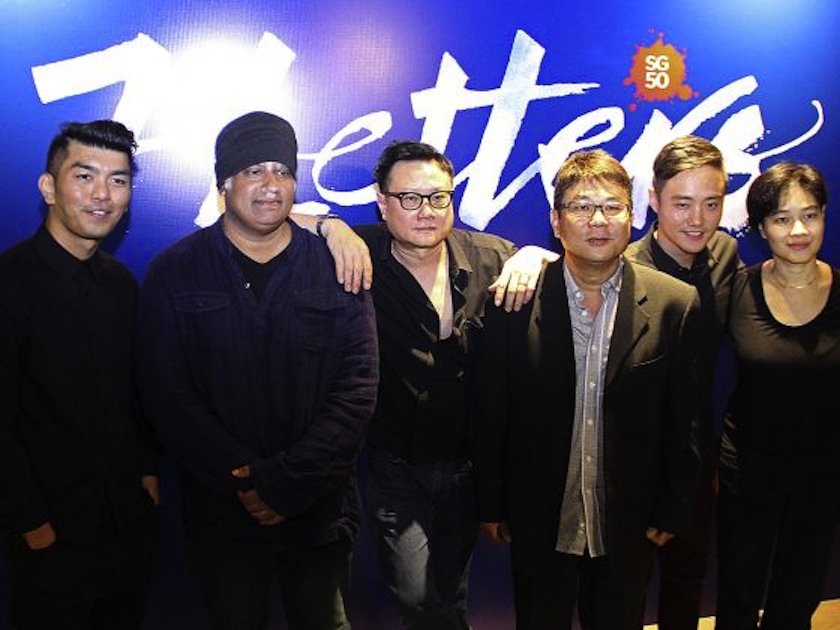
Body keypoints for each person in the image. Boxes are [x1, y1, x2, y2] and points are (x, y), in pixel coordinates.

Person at [135, 111, 379, 630]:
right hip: (221, 516)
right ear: (223, 184)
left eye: (282, 171)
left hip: (318, 513)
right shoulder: (174, 271)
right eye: (253, 171)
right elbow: (166, 392)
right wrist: (247, 482)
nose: (271, 186)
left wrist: (288, 483)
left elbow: (357, 387)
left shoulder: (338, 265)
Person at [297, 139, 552, 629]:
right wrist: (333, 228)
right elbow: (278, 220)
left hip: (470, 465)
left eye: (438, 197)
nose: (426, 211)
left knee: (451, 587)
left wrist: (536, 256)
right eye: (409, 198)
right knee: (416, 594)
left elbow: (575, 267)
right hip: (395, 464)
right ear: (382, 201)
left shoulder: (491, 257)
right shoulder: (363, 250)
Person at [474, 148, 703, 629]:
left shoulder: (673, 304)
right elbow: (494, 410)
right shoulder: (514, 302)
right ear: (556, 223)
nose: (597, 220)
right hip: (540, 518)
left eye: (612, 206)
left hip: (627, 522)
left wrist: (673, 506)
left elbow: (684, 420)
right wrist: (493, 501)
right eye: (580, 207)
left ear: (633, 216)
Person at [0, 120, 159, 629]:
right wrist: (32, 524)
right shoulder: (9, 284)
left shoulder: (122, 286)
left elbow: (135, 396)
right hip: (48, 535)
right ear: (49, 187)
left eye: (118, 180)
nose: (102, 195)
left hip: (125, 526)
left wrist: (147, 474)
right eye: (84, 175)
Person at [715, 162, 840, 629]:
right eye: (782, 219)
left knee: (799, 591)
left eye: (810, 215)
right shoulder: (736, 288)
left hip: (823, 474)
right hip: (747, 468)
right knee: (738, 590)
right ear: (762, 228)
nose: (799, 230)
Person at [625, 135, 741, 629]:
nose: (698, 220)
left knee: (687, 579)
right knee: (623, 586)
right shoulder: (625, 268)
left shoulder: (726, 254)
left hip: (696, 455)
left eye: (711, 203)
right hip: (631, 461)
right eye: (682, 204)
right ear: (653, 201)